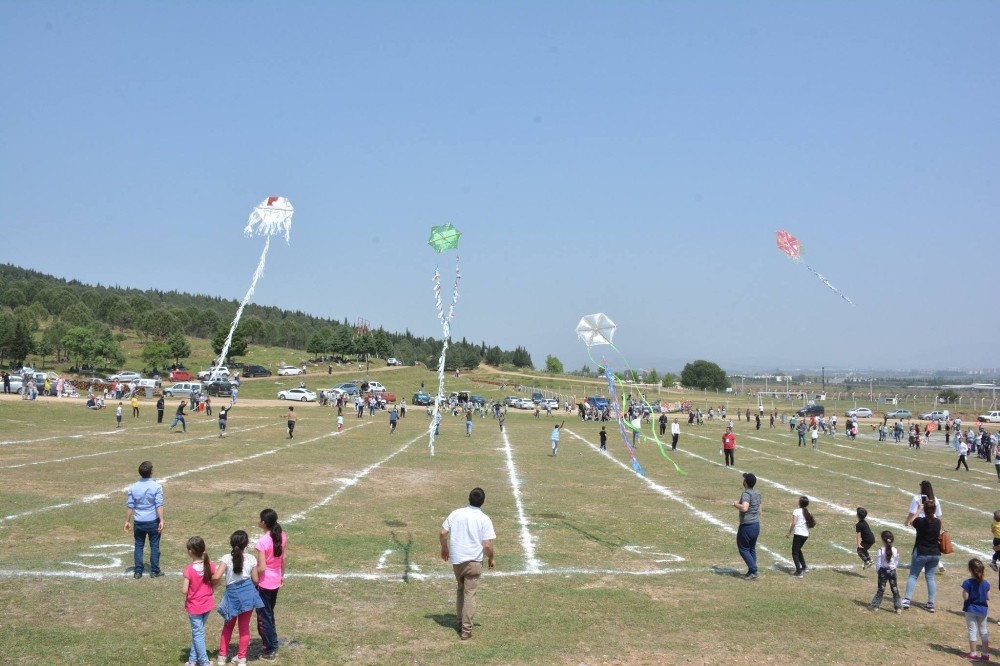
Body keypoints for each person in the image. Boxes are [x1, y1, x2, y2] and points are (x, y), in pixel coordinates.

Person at [440, 487, 496, 640]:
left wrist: (444, 548)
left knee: (460, 588)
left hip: (457, 560)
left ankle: (460, 621)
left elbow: (443, 532)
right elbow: (487, 545)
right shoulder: (484, 519)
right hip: (473, 561)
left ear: (469, 498)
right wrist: (491, 558)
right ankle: (466, 629)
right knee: (470, 593)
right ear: (482, 502)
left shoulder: (456, 513)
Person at [214, 530, 265, 666]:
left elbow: (217, 576)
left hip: (232, 595)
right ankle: (241, 658)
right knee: (244, 627)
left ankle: (222, 656)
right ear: (246, 544)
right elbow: (255, 579)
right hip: (248, 595)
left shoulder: (226, 559)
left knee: (228, 626)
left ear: (231, 543)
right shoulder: (251, 559)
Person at [255, 509, 287, 661]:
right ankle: (272, 643)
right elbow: (283, 558)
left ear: (264, 523)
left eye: (260, 519)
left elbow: (261, 568)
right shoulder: (281, 535)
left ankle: (270, 650)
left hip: (264, 583)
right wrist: (281, 575)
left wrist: (251, 574)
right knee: (269, 613)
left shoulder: (262, 542)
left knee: (264, 616)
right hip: (275, 581)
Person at [124, 460, 164, 579]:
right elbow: (159, 504)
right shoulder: (156, 486)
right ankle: (155, 571)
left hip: (139, 521)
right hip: (152, 521)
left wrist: (127, 520)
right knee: (154, 546)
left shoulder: (134, 487)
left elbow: (130, 505)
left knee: (139, 546)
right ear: (151, 472)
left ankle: (138, 571)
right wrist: (161, 520)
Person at [902, 498, 942, 612]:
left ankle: (907, 600)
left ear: (925, 509)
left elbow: (911, 521)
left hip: (921, 552)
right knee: (930, 578)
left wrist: (919, 509)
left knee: (913, 576)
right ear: (934, 510)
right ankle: (930, 604)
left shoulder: (920, 521)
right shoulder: (938, 522)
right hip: (934, 553)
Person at [182, 536, 217, 666]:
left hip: (194, 606)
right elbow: (215, 579)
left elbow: (185, 590)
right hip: (207, 604)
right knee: (198, 632)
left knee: (198, 633)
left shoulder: (189, 569)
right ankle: (192, 660)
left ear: (190, 552)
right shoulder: (211, 565)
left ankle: (203, 661)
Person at [961, 558, 991, 660]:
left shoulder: (967, 583)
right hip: (983, 610)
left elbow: (966, 597)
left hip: (971, 609)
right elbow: (988, 597)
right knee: (983, 631)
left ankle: (973, 653)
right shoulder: (986, 583)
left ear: (970, 569)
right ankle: (986, 654)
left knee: (972, 630)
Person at [734, 472, 761, 580]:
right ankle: (751, 572)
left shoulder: (746, 494)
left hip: (747, 526)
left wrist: (735, 504)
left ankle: (754, 570)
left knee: (743, 549)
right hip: (756, 525)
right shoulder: (757, 493)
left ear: (746, 483)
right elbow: (759, 510)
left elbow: (744, 508)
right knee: (751, 549)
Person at [870, 530, 902, 613]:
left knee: (881, 589)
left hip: (883, 571)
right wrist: (893, 567)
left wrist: (878, 571)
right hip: (892, 571)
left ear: (882, 540)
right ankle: (898, 607)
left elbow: (878, 563)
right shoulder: (895, 550)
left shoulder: (880, 550)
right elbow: (896, 561)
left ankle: (875, 606)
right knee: (895, 589)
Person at [786, 496, 815, 578]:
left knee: (794, 552)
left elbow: (794, 523)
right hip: (805, 535)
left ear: (800, 503)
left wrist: (789, 533)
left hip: (799, 534)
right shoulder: (808, 512)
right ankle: (804, 567)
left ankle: (799, 572)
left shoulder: (796, 511)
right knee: (798, 550)